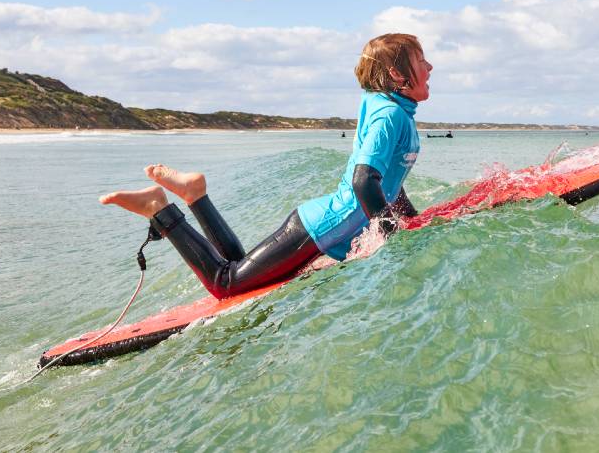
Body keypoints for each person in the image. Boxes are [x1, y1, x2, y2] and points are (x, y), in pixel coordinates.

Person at [99, 33, 431, 299]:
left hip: (323, 224)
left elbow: (389, 181)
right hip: (319, 229)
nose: (429, 67)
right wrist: (391, 236)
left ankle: (195, 194)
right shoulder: (389, 115)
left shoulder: (395, 112)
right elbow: (364, 181)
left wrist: (412, 221)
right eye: (420, 61)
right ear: (396, 74)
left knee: (237, 267)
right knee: (225, 284)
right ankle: (159, 209)